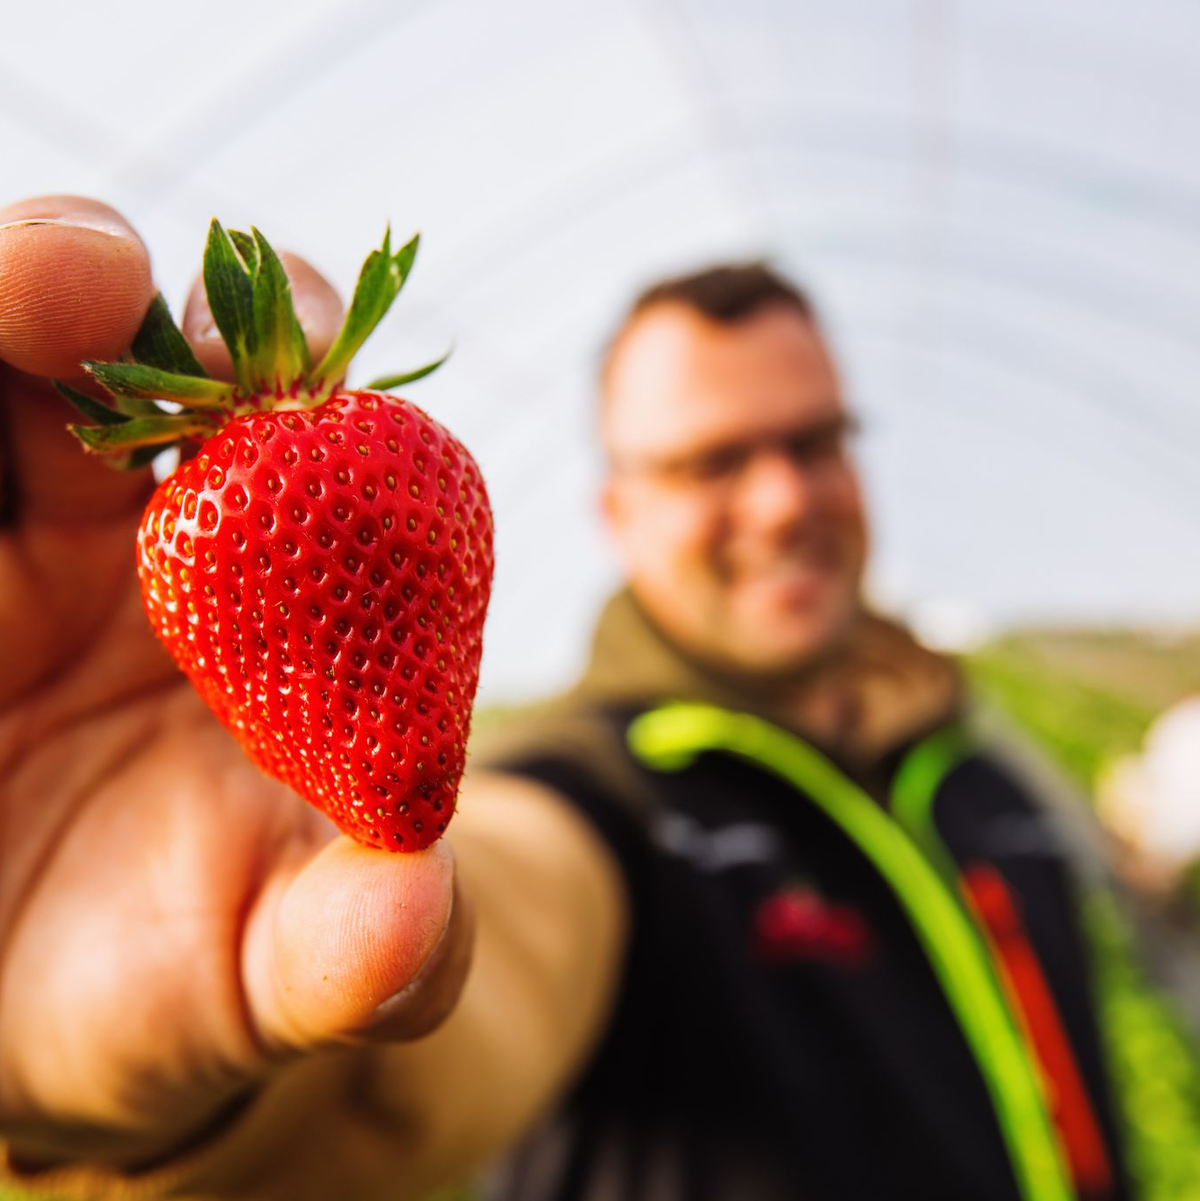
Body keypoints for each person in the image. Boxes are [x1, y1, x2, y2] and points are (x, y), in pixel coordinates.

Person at [0, 194, 1194, 1201]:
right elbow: (442, 1038)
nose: (784, 500)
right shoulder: (600, 792)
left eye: (816, 440)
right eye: (713, 461)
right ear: (615, 513)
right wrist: (204, 1105)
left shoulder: (978, 764)